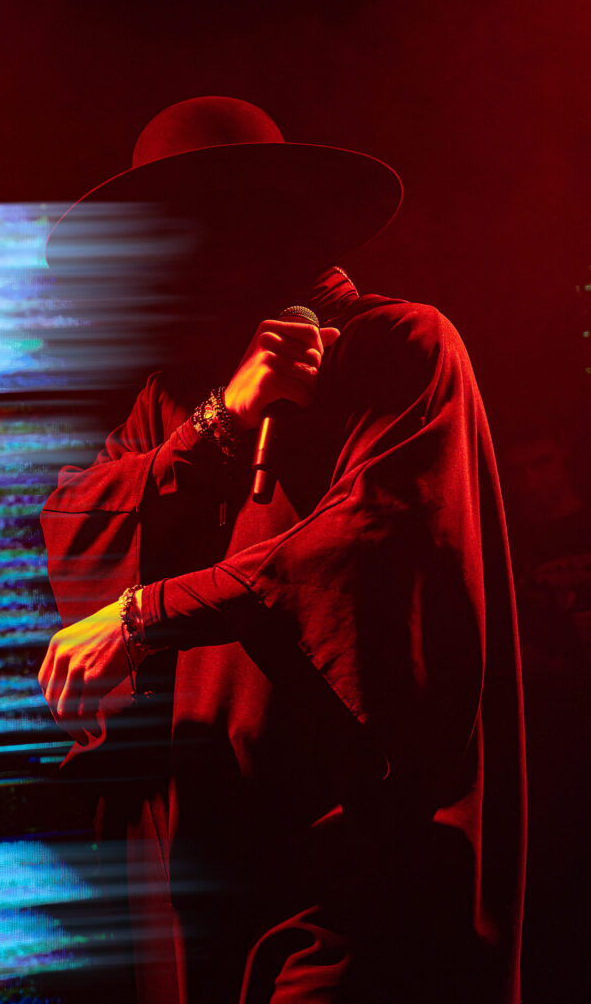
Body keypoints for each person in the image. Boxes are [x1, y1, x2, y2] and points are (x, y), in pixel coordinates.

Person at [39, 97, 526, 1003]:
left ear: (286, 212)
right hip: (196, 853)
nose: (186, 251)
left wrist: (147, 614)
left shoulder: (398, 343)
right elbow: (79, 519)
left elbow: (367, 552)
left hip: (352, 845)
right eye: (165, 229)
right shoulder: (178, 394)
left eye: (215, 214)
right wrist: (223, 418)